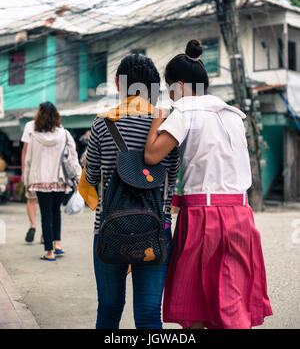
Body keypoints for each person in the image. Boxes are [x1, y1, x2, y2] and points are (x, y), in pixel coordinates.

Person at [144, 39, 273, 330]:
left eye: (170, 89)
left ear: (178, 85)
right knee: (230, 306)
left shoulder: (184, 112)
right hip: (241, 214)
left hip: (203, 216)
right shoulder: (233, 115)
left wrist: (157, 118)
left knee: (195, 308)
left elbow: (152, 155)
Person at [81, 53, 179, 329]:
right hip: (155, 229)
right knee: (149, 314)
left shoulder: (102, 123)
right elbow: (172, 178)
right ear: (154, 87)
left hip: (110, 228)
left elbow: (91, 177)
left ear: (117, 83)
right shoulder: (166, 123)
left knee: (109, 309)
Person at [24, 102, 81, 261]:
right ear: (56, 116)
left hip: (41, 181)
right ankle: (57, 244)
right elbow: (73, 157)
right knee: (56, 212)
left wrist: (27, 182)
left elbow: (29, 160)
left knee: (46, 215)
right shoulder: (64, 134)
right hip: (60, 180)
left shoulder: (34, 136)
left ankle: (49, 252)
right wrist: (78, 177)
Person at [21, 119, 40, 243]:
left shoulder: (30, 125)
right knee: (47, 203)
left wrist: (24, 171)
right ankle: (46, 233)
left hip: (33, 170)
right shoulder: (56, 126)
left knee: (31, 200)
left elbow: (25, 150)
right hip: (52, 172)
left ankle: (33, 225)